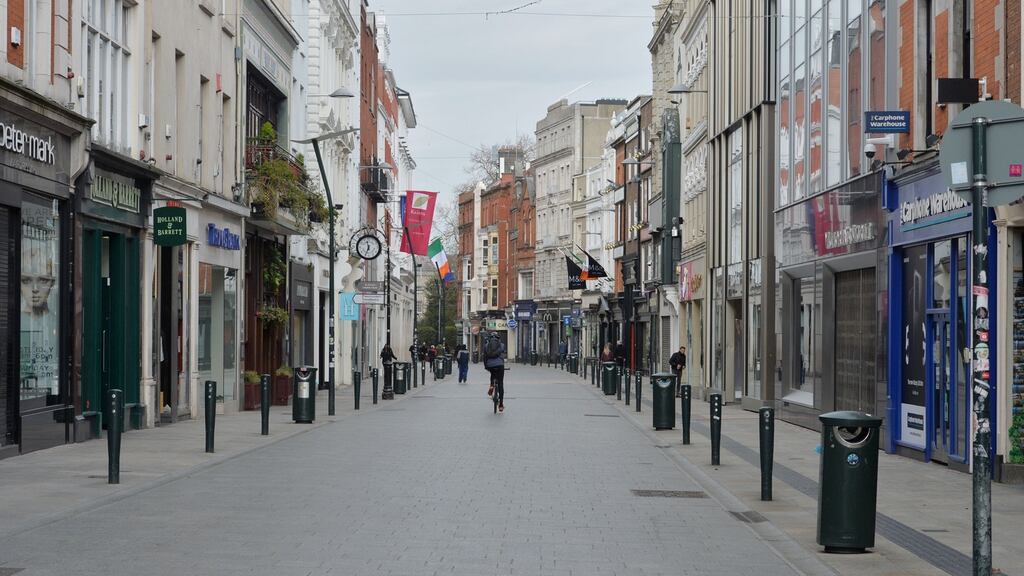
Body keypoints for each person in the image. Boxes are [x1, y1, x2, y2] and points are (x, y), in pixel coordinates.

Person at [483, 332, 506, 412]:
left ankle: (492, 385)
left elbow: (485, 357)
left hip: (490, 365)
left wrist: (486, 366)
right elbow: (503, 355)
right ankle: (501, 405)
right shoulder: (502, 345)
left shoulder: (486, 346)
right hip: (500, 365)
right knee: (500, 382)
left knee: (492, 373)